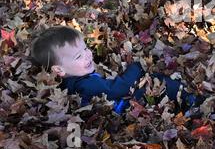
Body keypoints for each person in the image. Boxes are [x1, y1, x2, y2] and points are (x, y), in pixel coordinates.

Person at [30, 26, 203, 113]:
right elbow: (119, 88)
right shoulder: (85, 85)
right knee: (157, 85)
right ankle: (192, 102)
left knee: (153, 80)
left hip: (119, 100)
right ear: (58, 69)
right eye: (78, 56)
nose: (88, 55)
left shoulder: (70, 80)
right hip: (123, 105)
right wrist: (135, 68)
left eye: (86, 49)